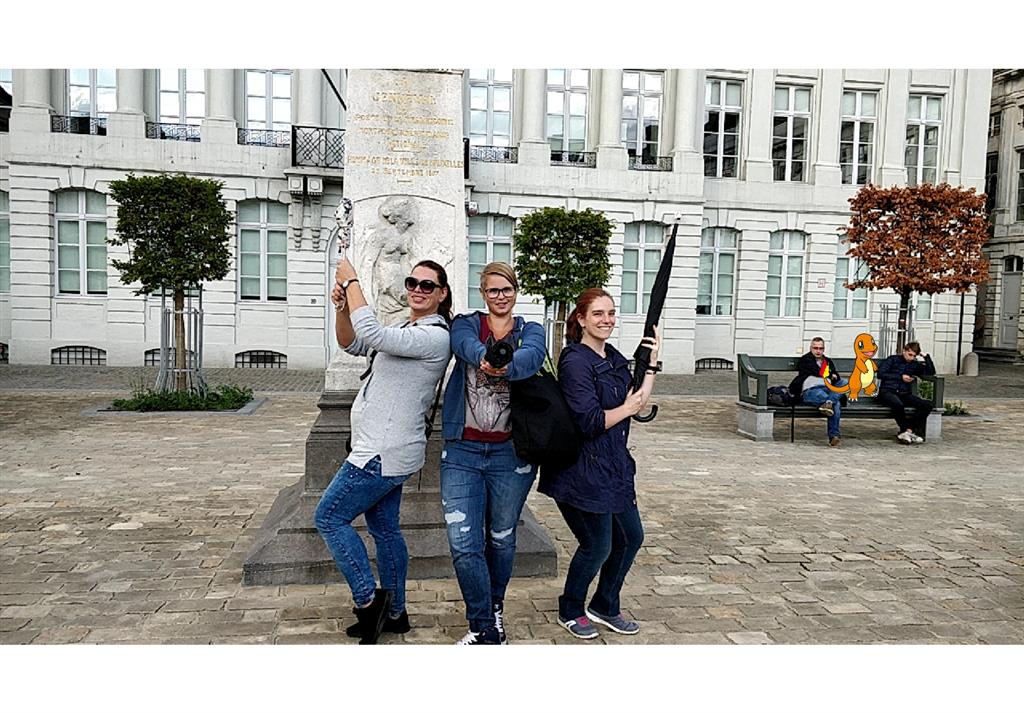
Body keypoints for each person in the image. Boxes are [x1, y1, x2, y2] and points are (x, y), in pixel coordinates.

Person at [314, 256, 452, 644]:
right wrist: (343, 308)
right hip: (385, 448)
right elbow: (352, 342)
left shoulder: (434, 336)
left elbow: (371, 333)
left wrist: (352, 281)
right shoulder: (405, 328)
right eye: (413, 283)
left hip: (381, 452)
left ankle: (368, 601)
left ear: (442, 294)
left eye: (427, 285)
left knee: (329, 517)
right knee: (385, 529)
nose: (418, 290)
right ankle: (396, 613)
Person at [538, 288, 659, 640]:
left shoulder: (613, 356)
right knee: (597, 545)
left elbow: (636, 400)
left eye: (610, 313)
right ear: (581, 318)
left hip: (614, 466)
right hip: (582, 470)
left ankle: (605, 604)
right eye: (598, 314)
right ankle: (571, 608)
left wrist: (652, 363)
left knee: (631, 537)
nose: (606, 320)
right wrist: (627, 409)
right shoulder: (575, 361)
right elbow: (589, 421)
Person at [440, 262, 546, 645]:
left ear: (515, 292)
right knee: (463, 542)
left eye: (507, 289)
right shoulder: (467, 324)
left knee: (502, 538)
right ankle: (483, 624)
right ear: (483, 293)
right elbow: (462, 344)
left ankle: (494, 612)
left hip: (510, 455)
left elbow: (533, 356)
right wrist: (484, 357)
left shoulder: (530, 329)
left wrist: (506, 366)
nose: (500, 296)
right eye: (493, 290)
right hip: (462, 451)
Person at [789, 336, 846, 447]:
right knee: (836, 403)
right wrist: (830, 375)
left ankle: (829, 402)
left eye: (821, 348)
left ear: (824, 349)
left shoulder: (827, 361)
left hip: (828, 389)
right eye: (815, 348)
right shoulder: (806, 359)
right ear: (811, 348)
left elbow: (837, 377)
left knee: (845, 382)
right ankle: (834, 435)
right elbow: (817, 371)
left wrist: (831, 375)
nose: (818, 351)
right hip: (811, 390)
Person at [876, 341, 936, 444]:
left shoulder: (914, 364)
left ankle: (908, 431)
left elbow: (930, 372)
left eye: (914, 356)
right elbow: (881, 374)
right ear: (904, 351)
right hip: (888, 391)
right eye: (910, 354)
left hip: (904, 393)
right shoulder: (892, 359)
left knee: (926, 405)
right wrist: (900, 377)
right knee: (897, 404)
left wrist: (926, 357)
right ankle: (906, 430)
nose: (911, 358)